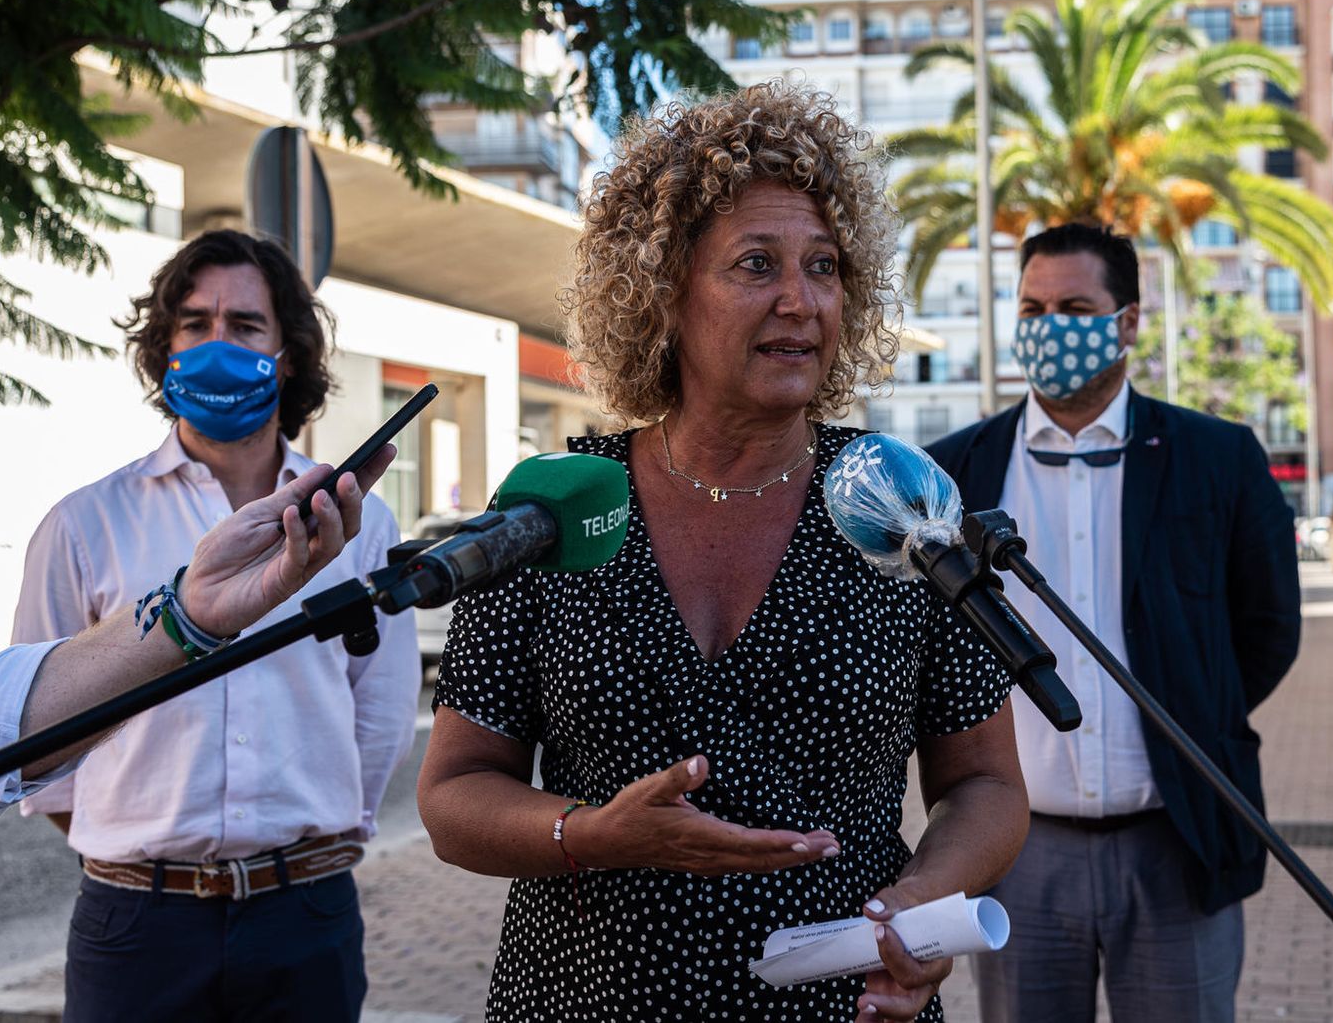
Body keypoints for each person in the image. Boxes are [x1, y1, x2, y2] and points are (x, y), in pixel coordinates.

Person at [417, 82, 1029, 1023]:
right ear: (663, 293)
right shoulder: (558, 507)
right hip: (585, 1000)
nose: (801, 300)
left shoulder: (899, 504)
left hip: (841, 1002)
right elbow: (454, 793)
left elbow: (985, 782)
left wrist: (918, 906)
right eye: (756, 264)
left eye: (824, 267)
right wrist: (595, 834)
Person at [11, 230, 421, 1022]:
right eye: (195, 324)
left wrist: (320, 840)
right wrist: (140, 843)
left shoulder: (357, 523)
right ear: (164, 348)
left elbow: (381, 712)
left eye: (245, 325)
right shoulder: (83, 524)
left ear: (287, 355)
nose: (217, 344)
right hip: (135, 926)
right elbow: (38, 734)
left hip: (307, 915)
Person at [926, 223, 1301, 1022]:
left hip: (1178, 840)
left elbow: (1269, 627)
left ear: (1127, 322)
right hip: (1017, 852)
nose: (1049, 328)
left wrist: (1197, 707)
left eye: (1073, 308)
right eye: (1032, 309)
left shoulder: (1218, 458)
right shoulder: (955, 470)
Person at [0, 452, 390, 825]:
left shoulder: (362, 514)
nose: (220, 368)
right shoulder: (82, 516)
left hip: (314, 877)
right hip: (133, 883)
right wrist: (113, 852)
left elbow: (382, 708)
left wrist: (187, 614)